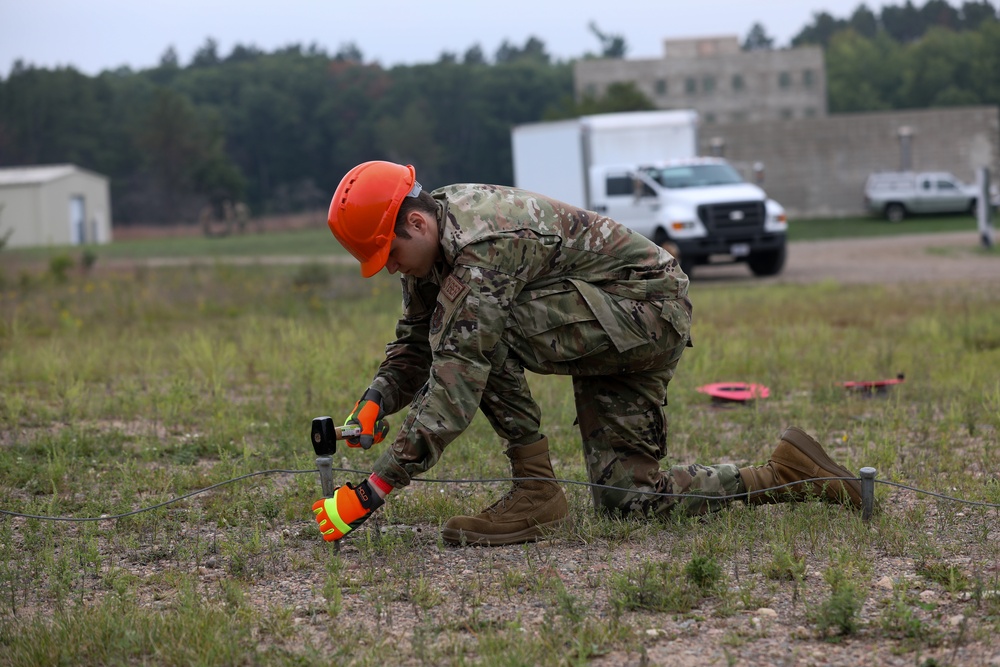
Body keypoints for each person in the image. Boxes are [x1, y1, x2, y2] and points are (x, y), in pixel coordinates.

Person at [312, 161, 861, 546]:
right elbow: (413, 342)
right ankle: (790, 475)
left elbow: (457, 381)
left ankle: (536, 490)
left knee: (481, 333)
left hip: (645, 312)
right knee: (630, 500)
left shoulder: (481, 250)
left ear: (415, 222)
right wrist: (375, 402)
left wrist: (370, 490)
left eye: (388, 253)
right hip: (609, 322)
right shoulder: (433, 243)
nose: (388, 267)